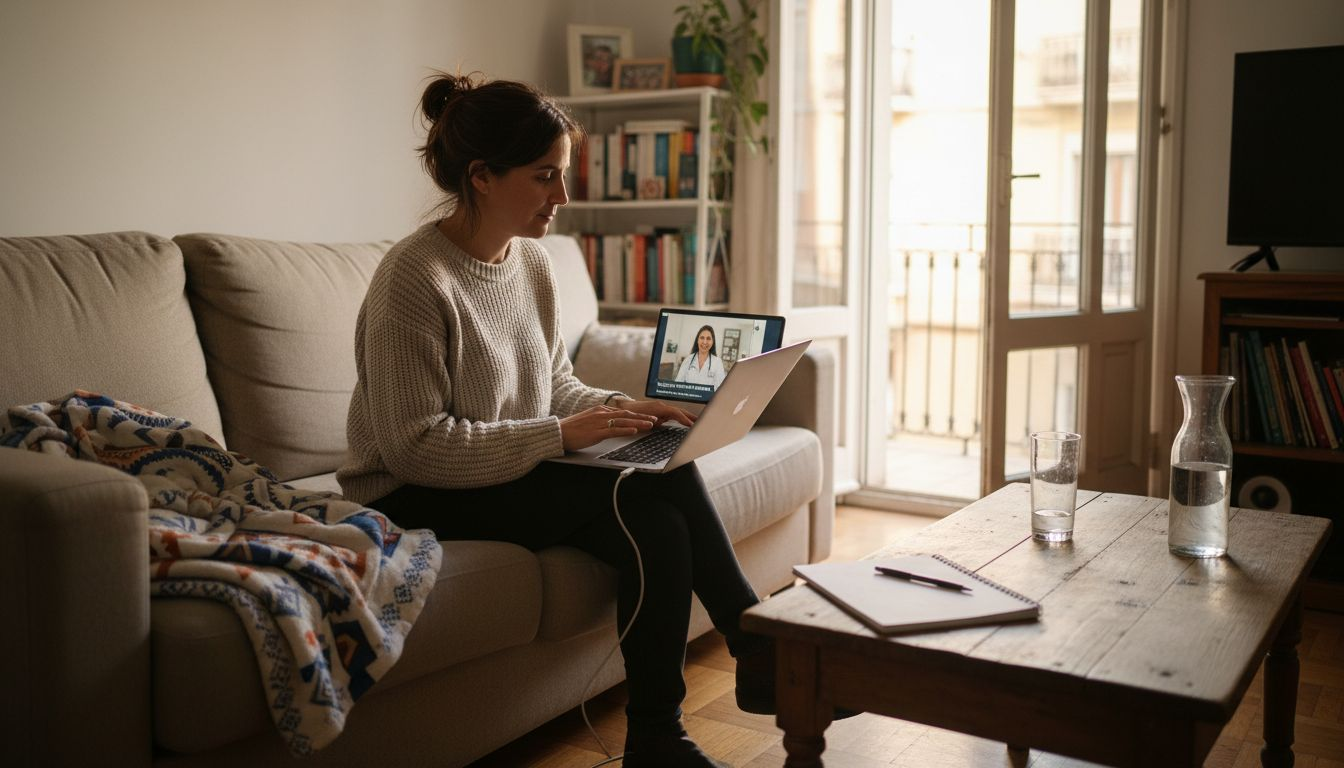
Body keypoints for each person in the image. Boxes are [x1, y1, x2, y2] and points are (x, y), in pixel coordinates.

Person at [336, 72, 778, 768]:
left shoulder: (533, 266)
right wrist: (561, 435)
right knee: (649, 492)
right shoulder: (414, 280)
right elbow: (414, 447)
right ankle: (758, 652)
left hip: (504, 469)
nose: (562, 198)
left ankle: (660, 732)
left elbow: (554, 384)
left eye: (562, 175)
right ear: (482, 176)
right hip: (408, 494)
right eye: (545, 177)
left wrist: (622, 410)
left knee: (657, 507)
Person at [673, 324, 726, 390]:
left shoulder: (717, 362)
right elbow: (678, 385)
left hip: (709, 400)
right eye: (702, 338)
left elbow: (720, 389)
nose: (705, 342)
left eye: (708, 338)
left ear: (712, 342)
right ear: (697, 340)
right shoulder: (688, 360)